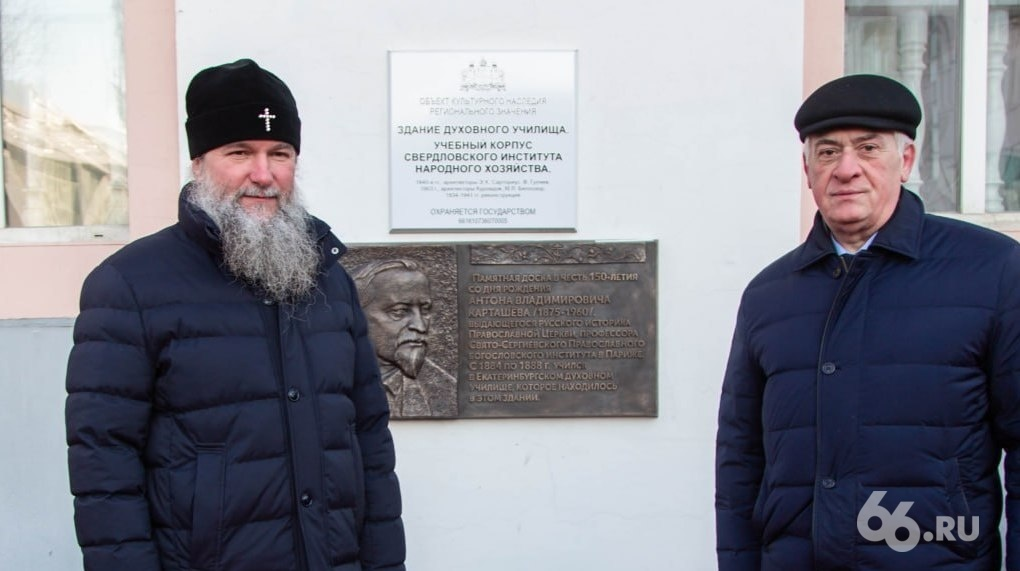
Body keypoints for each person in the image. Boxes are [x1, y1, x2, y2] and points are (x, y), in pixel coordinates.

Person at [65, 59, 405, 571]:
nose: (263, 174)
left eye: (280, 153)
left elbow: (370, 443)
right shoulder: (128, 285)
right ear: (199, 162)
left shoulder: (329, 281)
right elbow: (103, 466)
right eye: (240, 152)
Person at [715, 74, 1020, 570]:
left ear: (905, 162)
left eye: (868, 148)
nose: (846, 169)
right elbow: (739, 463)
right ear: (807, 168)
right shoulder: (769, 296)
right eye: (828, 152)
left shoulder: (993, 271)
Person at [352, 259, 457, 418]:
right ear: (356, 315)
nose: (420, 326)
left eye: (425, 310)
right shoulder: (325, 379)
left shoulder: (445, 388)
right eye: (399, 312)